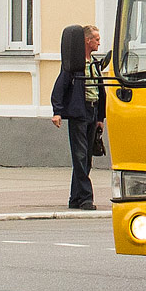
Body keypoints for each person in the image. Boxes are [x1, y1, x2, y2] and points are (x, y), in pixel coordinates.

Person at [51, 25, 107, 210]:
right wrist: (57, 111)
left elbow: (99, 90)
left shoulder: (94, 62)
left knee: (86, 158)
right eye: (96, 39)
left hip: (92, 112)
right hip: (79, 113)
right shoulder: (73, 64)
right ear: (87, 40)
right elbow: (60, 87)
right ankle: (86, 198)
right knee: (80, 155)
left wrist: (100, 117)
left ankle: (74, 198)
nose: (99, 42)